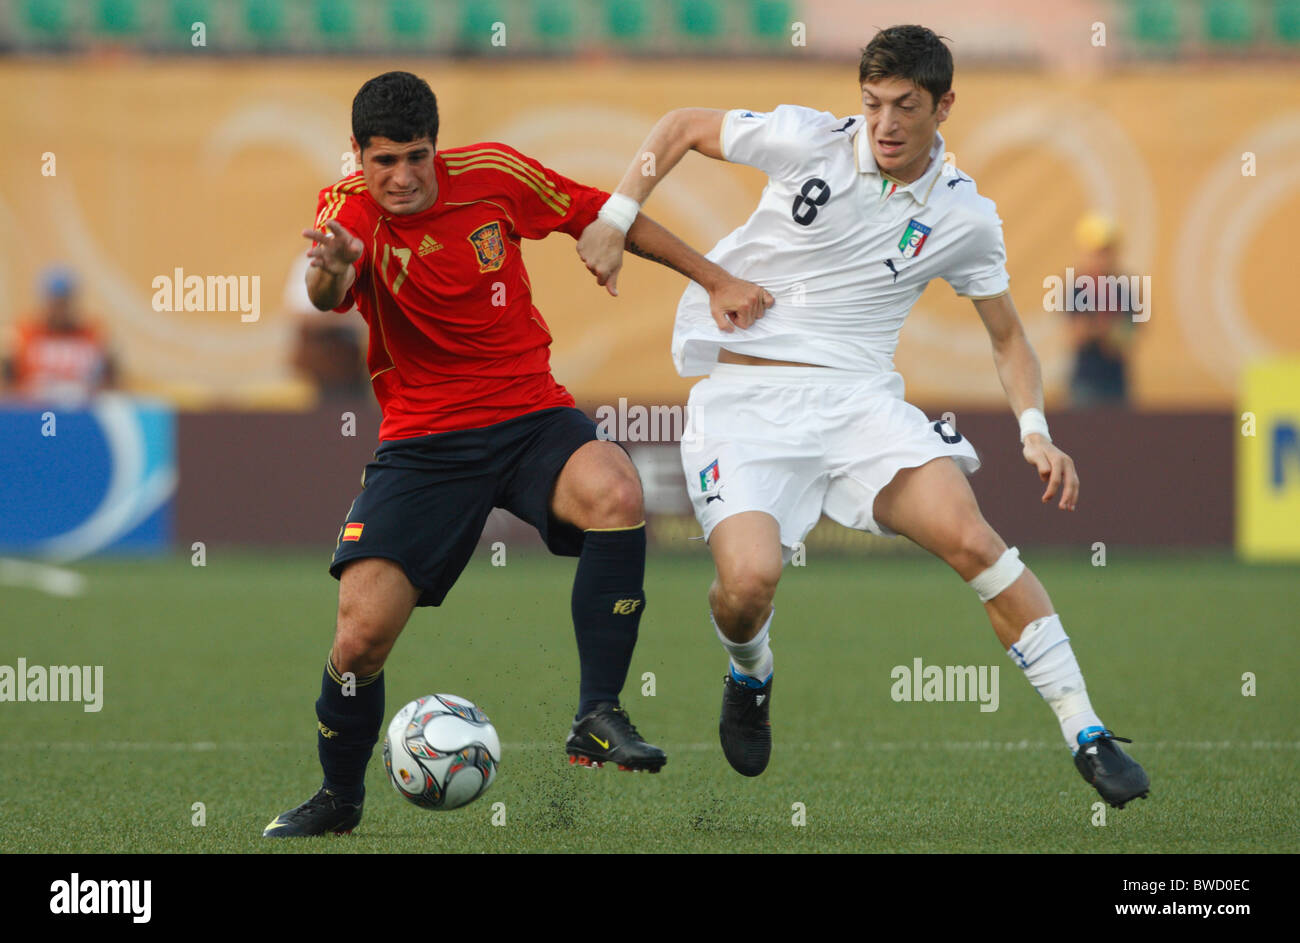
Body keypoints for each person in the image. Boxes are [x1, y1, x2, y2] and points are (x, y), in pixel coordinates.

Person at [577, 26, 1150, 808]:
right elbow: (679, 125)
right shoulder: (808, 138)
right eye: (873, 103)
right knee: (746, 585)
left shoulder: (966, 216)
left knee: (975, 539)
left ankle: (1085, 728)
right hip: (746, 404)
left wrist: (1035, 431)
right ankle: (751, 670)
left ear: (945, 105)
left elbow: (1009, 336)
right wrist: (615, 214)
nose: (884, 123)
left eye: (905, 106)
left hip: (860, 406)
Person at [264, 71, 770, 837]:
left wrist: (716, 278)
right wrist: (332, 264)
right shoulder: (347, 214)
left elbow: (605, 211)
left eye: (418, 157)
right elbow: (329, 288)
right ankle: (339, 796)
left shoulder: (495, 175)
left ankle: (597, 713)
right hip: (424, 443)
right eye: (385, 161)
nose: (402, 177)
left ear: (439, 148)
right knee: (359, 638)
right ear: (358, 157)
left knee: (616, 490)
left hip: (529, 414)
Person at [4, 267, 116, 401]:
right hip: (34, 413)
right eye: (54, 302)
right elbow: (8, 385)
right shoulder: (24, 336)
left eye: (65, 302)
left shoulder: (93, 336)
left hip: (81, 414)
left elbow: (110, 384)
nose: (60, 310)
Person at [1065, 212, 1136, 408]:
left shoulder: (1124, 289)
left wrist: (1097, 329)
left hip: (1116, 382)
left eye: (1107, 251)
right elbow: (1076, 335)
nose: (1102, 258)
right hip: (1086, 381)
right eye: (1097, 252)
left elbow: (1127, 336)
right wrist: (1106, 330)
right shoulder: (1077, 288)